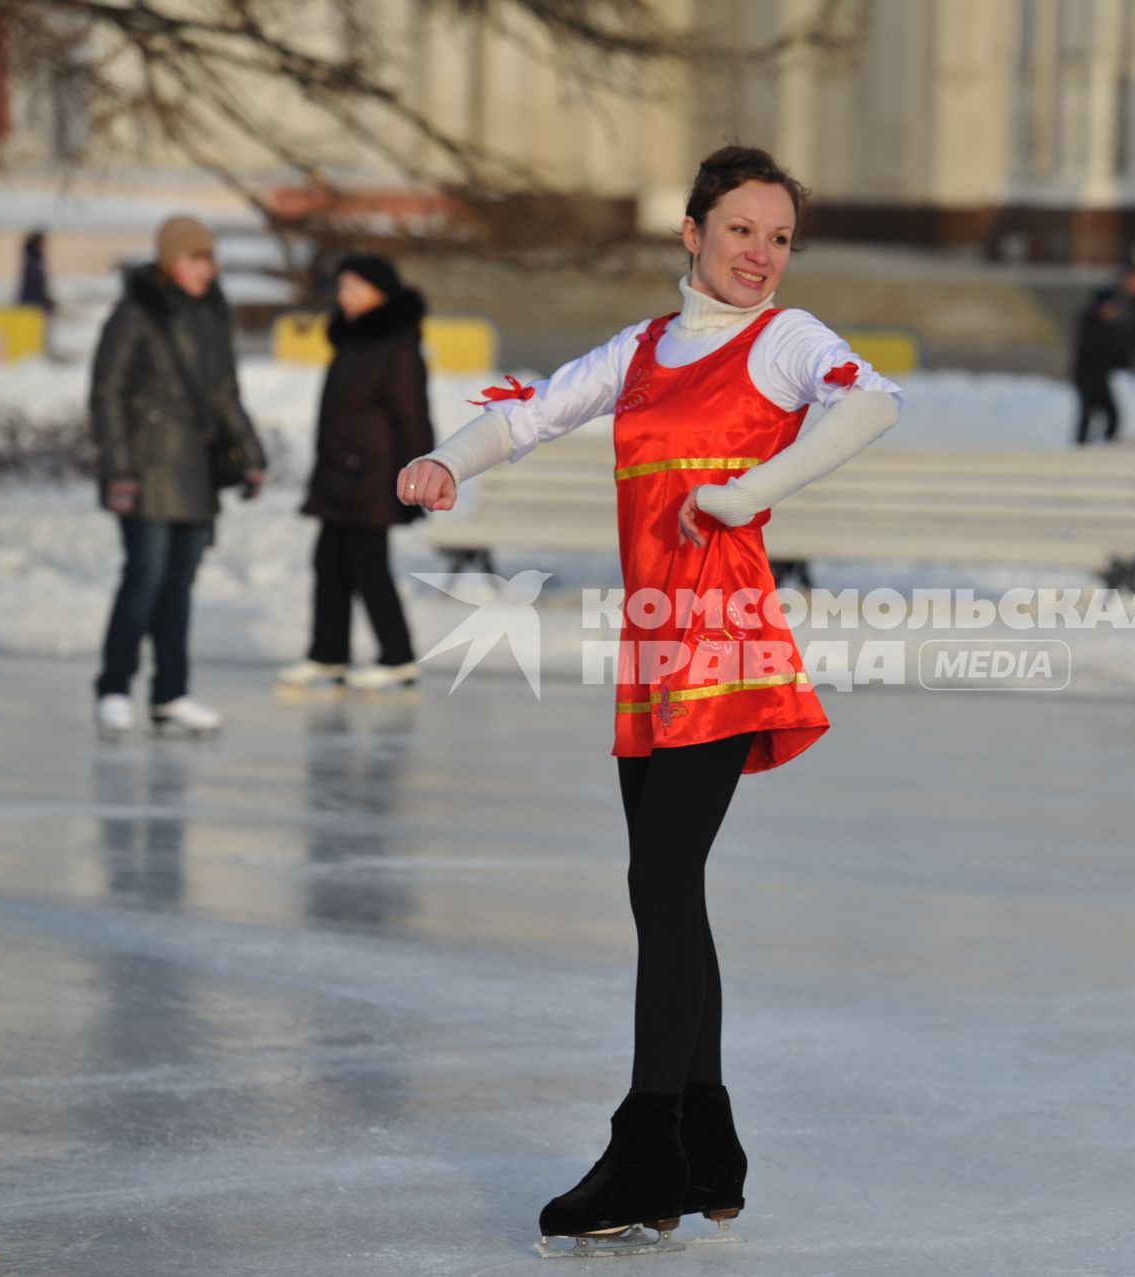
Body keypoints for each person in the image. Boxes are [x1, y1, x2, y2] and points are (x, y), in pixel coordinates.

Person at [399, 144, 903, 1253]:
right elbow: (529, 411)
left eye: (778, 236)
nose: (762, 255)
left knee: (662, 880)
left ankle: (645, 1146)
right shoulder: (642, 350)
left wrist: (744, 492)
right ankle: (705, 1143)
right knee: (669, 889)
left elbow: (874, 404)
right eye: (740, 232)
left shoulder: (789, 341)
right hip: (654, 651)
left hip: (727, 641)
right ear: (692, 233)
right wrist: (449, 458)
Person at [89, 215, 267, 739]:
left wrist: (250, 455)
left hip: (196, 471)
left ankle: (171, 693)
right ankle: (114, 689)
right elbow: (107, 395)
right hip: (145, 471)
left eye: (209, 259)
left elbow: (224, 395)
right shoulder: (135, 312)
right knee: (143, 579)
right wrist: (119, 469)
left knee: (180, 586)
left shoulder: (213, 314)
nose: (204, 269)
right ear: (169, 260)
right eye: (194, 258)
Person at [277, 255, 434, 693]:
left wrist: (417, 473)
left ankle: (398, 657)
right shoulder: (351, 341)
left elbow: (413, 416)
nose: (343, 296)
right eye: (342, 287)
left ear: (379, 294)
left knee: (368, 567)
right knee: (329, 563)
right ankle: (328, 655)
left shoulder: (396, 346)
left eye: (353, 288)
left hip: (373, 476)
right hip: (338, 473)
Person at [1071, 285, 1135, 445]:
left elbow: (1118, 352)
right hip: (1086, 379)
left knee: (1113, 416)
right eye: (1109, 307)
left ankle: (1104, 447)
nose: (1112, 311)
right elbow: (1098, 350)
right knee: (1087, 414)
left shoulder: (1110, 327)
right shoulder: (1089, 324)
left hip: (1101, 379)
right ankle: (1080, 449)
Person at [17, 229, 54, 316]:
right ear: (38, 241)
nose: (46, 243)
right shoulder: (33, 259)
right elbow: (35, 282)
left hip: (34, 299)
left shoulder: (36, 257)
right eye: (43, 240)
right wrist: (44, 299)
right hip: (32, 301)